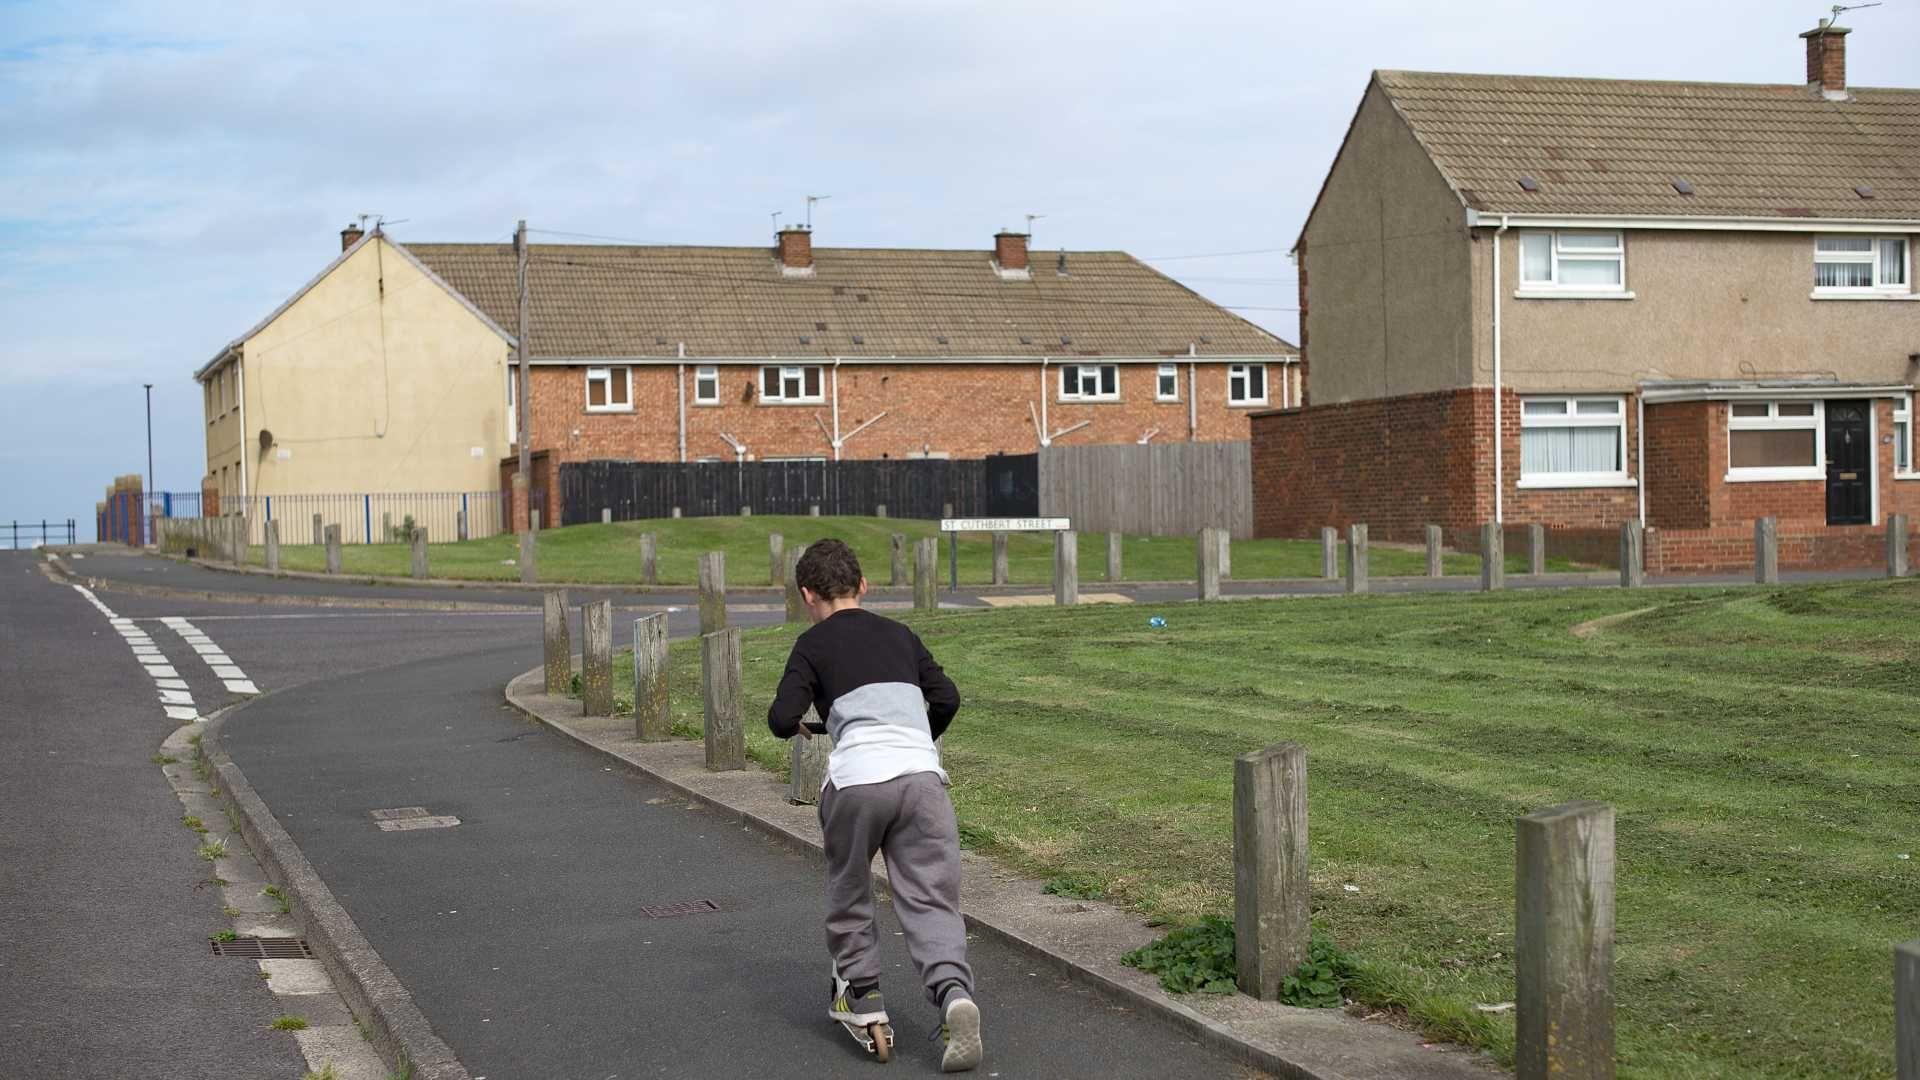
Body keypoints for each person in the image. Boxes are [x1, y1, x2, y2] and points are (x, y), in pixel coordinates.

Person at [766, 538, 983, 1072]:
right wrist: (919, 739)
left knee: (850, 889)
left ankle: (863, 996)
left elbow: (779, 718)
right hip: (921, 780)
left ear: (806, 594)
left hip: (859, 782)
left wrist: (804, 721)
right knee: (932, 898)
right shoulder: (901, 636)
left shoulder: (812, 644)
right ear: (864, 586)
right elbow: (948, 696)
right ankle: (954, 993)